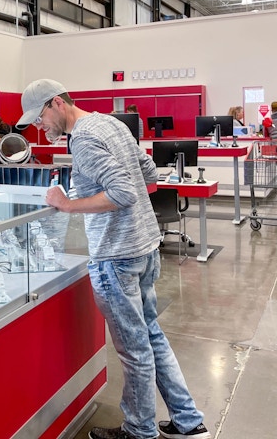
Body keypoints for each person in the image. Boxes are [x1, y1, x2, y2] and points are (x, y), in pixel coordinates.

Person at [17, 79, 210, 439]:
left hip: (116, 256)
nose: (39, 126)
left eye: (40, 116)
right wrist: (91, 188)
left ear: (57, 103)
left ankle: (139, 431)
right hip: (145, 246)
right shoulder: (110, 123)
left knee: (135, 350)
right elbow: (149, 174)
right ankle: (187, 420)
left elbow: (122, 193)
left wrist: (68, 203)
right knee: (151, 336)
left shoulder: (85, 138)